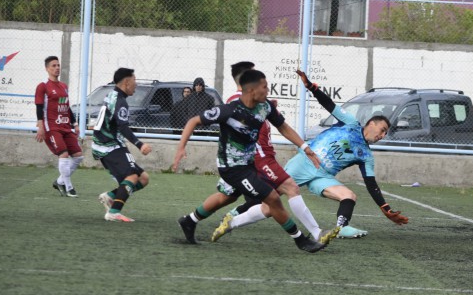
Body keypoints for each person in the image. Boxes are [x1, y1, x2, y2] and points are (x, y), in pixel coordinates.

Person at [213, 69, 409, 240]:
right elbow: (329, 104)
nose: (382, 135)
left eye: (385, 133)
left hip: (323, 177)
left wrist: (386, 208)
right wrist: (312, 87)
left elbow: (371, 184)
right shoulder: (350, 123)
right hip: (305, 162)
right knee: (271, 199)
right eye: (382, 129)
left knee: (349, 196)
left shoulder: (366, 155)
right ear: (371, 124)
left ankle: (340, 228)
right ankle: (233, 215)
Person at [173, 69, 326, 253]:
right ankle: (301, 240)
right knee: (273, 198)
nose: (268, 90)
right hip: (232, 168)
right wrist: (181, 148)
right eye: (265, 87)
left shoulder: (265, 107)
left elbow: (283, 126)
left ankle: (189, 221)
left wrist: (305, 148)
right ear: (252, 90)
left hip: (249, 164)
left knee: (226, 197)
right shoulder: (229, 110)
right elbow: (193, 121)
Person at [210, 62, 339, 245]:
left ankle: (232, 222)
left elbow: (283, 126)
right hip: (259, 157)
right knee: (291, 188)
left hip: (265, 156)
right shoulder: (238, 102)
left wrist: (304, 148)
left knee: (270, 205)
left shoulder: (261, 102)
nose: (264, 85)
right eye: (256, 78)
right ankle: (316, 233)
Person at [93, 68, 152, 222]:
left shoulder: (112, 95)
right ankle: (113, 212)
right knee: (132, 176)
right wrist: (140, 144)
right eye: (134, 80)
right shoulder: (120, 101)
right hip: (109, 145)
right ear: (126, 82)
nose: (136, 84)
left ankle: (110, 196)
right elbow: (123, 127)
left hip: (108, 144)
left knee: (143, 178)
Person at [35, 56, 83, 197]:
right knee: (64, 154)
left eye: (58, 65)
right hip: (52, 127)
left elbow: (66, 107)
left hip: (66, 126)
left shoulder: (63, 86)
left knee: (78, 156)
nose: (57, 68)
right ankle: (69, 188)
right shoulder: (43, 86)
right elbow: (39, 107)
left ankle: (60, 181)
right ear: (47, 68)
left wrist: (75, 124)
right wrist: (40, 126)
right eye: (53, 66)